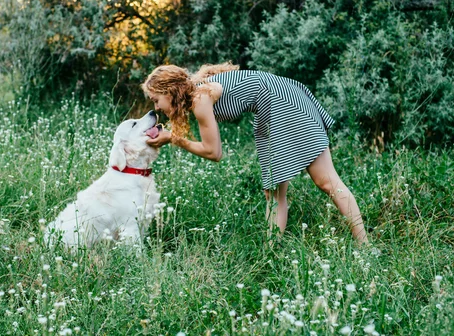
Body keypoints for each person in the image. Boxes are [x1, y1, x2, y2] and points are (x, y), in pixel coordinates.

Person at [142, 63, 368, 244]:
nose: (157, 107)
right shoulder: (196, 90)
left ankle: (364, 246)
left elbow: (214, 152)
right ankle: (272, 254)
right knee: (277, 192)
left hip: (281, 105)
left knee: (326, 182)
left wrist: (173, 138)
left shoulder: (200, 98)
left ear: (169, 91)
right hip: (280, 101)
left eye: (156, 100)